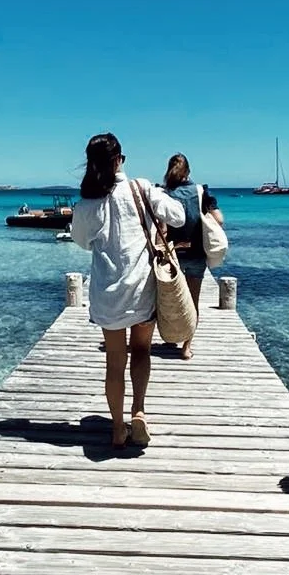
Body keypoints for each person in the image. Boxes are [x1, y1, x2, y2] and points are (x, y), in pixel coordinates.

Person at [71, 132, 185, 448]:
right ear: (120, 159)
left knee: (114, 362)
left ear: (91, 165)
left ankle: (118, 428)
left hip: (108, 294)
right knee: (143, 352)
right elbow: (178, 215)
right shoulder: (142, 188)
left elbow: (81, 242)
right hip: (142, 290)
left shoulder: (86, 204)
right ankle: (138, 411)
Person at [161, 153, 225, 359]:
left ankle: (171, 336)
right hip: (197, 254)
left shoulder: (164, 194)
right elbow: (219, 219)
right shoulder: (201, 192)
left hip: (173, 255)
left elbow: (161, 228)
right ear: (188, 171)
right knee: (192, 302)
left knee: (170, 300)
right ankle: (186, 347)